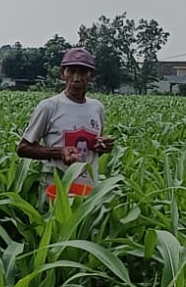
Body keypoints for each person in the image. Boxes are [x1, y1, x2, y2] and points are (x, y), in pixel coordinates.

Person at [16, 47, 114, 200]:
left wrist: (102, 147)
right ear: (62, 73)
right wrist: (59, 152)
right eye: (71, 71)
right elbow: (23, 148)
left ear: (91, 75)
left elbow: (94, 151)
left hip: (88, 193)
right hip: (56, 192)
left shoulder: (97, 108)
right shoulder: (49, 106)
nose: (76, 78)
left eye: (82, 72)